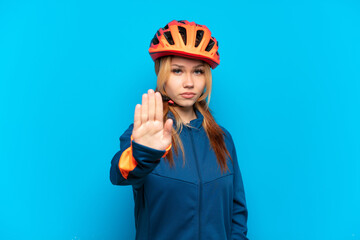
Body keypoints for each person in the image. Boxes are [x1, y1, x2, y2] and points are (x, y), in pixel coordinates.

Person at [110, 20, 248, 240]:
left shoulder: (223, 139)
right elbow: (119, 174)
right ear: (161, 73)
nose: (189, 83)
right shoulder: (146, 132)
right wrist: (144, 154)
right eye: (177, 71)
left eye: (198, 72)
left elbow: (237, 213)